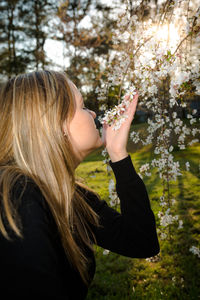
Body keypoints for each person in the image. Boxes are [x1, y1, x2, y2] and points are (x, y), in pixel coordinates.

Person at [0, 70, 159, 299]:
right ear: (58, 122)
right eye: (83, 106)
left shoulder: (73, 197)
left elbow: (142, 242)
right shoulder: (18, 197)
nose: (93, 113)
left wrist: (118, 154)